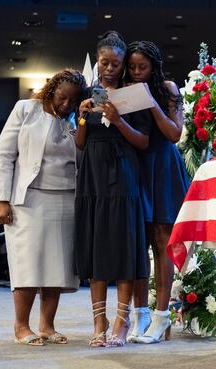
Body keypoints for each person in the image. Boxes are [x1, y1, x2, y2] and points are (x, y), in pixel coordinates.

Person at [0, 69, 87, 346]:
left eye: (72, 100)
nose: (66, 104)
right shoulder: (25, 109)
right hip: (29, 200)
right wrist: (1, 199)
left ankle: (47, 325)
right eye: (62, 97)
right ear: (52, 89)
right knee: (28, 265)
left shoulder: (76, 121)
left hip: (66, 198)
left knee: (57, 266)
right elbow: (5, 154)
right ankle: (21, 326)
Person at [75, 31, 151, 348]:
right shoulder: (89, 95)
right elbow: (80, 144)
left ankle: (121, 322)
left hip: (123, 177)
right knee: (95, 248)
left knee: (122, 250)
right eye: (104, 62)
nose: (109, 68)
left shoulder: (134, 95)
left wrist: (119, 120)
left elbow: (144, 142)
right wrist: (80, 118)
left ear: (122, 65)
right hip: (92, 178)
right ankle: (98, 321)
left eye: (115, 63)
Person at [124, 40, 189, 344]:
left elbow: (174, 134)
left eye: (143, 67)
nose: (137, 72)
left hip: (162, 167)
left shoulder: (168, 88)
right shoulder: (124, 89)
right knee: (139, 243)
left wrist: (149, 100)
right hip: (136, 166)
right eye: (133, 67)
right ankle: (141, 315)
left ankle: (162, 315)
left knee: (162, 241)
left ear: (154, 66)